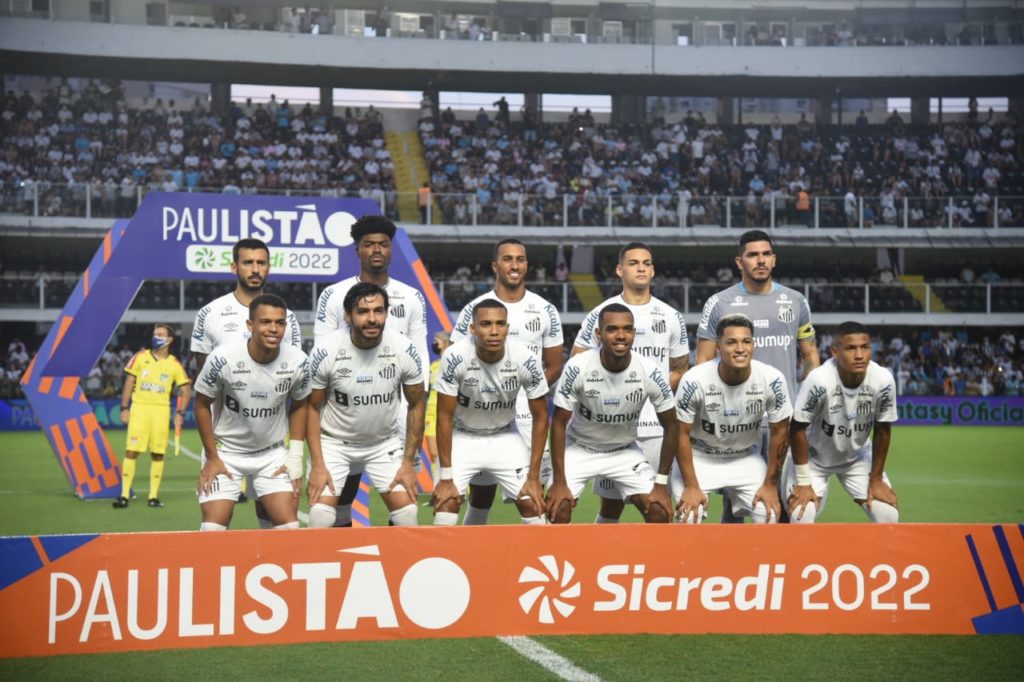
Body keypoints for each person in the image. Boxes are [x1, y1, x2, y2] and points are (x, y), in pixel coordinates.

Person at [696, 230, 818, 521]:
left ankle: (781, 563)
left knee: (787, 502)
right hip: (736, 420)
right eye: (753, 255)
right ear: (740, 262)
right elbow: (703, 361)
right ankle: (733, 565)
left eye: (766, 254)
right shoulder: (719, 303)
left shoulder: (796, 301)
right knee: (736, 503)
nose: (760, 260)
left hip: (783, 416)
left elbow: (810, 355)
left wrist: (805, 402)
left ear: (774, 259)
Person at [314, 215, 427, 527]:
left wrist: (410, 420)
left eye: (383, 244)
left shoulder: (413, 297)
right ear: (357, 250)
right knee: (341, 499)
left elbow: (419, 359)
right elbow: (322, 357)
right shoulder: (334, 296)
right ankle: (343, 561)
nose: (377, 250)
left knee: (403, 505)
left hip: (395, 416)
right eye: (369, 245)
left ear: (391, 250)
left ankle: (392, 559)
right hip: (343, 414)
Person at [448, 239, 564, 524]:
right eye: (508, 259)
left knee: (535, 496)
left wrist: (523, 392)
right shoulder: (473, 309)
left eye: (520, 259)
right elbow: (456, 359)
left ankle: (538, 559)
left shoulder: (545, 310)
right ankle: (470, 560)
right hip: (484, 411)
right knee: (481, 494)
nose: (515, 265)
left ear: (526, 265)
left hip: (529, 412)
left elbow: (554, 365)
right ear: (495, 266)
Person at [572, 242, 689, 523]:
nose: (641, 268)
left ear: (653, 270)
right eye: (634, 263)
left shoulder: (671, 316)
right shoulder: (600, 314)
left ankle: (657, 565)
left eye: (646, 263)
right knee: (610, 506)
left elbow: (681, 368)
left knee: (659, 508)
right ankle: (601, 561)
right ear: (619, 270)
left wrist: (651, 390)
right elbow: (577, 365)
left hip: (656, 430)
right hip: (612, 429)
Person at [191, 238, 302, 524]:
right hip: (226, 442)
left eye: (261, 263)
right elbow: (205, 386)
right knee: (214, 528)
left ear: (268, 267)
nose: (255, 269)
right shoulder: (210, 314)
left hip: (272, 445)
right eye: (248, 262)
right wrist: (212, 451)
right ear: (234, 266)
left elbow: (294, 381)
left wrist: (295, 453)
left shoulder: (286, 317)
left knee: (275, 519)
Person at [547, 304, 677, 524]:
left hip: (624, 451)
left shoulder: (649, 370)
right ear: (598, 334)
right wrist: (559, 482)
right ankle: (566, 559)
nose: (621, 336)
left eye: (627, 329)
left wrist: (661, 484)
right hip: (580, 448)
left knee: (659, 512)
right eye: (612, 329)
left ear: (634, 334)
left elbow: (672, 426)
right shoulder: (578, 367)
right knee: (558, 508)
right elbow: (558, 424)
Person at [432, 299, 549, 526]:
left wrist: (534, 478)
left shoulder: (525, 358)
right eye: (486, 324)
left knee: (534, 507)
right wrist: (445, 478)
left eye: (500, 324)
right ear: (473, 329)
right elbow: (443, 417)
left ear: (507, 327)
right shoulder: (455, 356)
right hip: (463, 436)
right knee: (446, 505)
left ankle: (529, 561)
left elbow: (542, 417)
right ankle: (454, 560)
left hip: (505, 436)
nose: (494, 331)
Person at [675, 314, 792, 525]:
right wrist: (691, 486)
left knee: (769, 515)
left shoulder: (772, 379)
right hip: (700, 457)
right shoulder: (694, 380)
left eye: (746, 341)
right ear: (718, 347)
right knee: (689, 516)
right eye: (731, 342)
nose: (740, 349)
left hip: (745, 457)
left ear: (753, 345)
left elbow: (781, 432)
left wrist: (770, 484)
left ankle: (749, 558)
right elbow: (679, 434)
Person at [782, 321, 899, 523]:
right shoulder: (819, 380)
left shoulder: (883, 379)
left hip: (857, 458)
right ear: (835, 352)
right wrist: (803, 481)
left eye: (865, 347)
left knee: (888, 515)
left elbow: (883, 430)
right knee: (801, 516)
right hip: (814, 460)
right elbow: (797, 428)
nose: (860, 355)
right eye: (851, 348)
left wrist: (877, 479)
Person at [113, 324, 191, 509]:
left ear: (169, 339)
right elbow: (129, 382)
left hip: (161, 411)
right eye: (155, 334)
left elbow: (186, 389)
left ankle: (153, 496)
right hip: (139, 409)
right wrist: (124, 408)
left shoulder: (174, 364)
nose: (155, 337)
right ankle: (124, 495)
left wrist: (180, 412)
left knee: (158, 453)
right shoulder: (140, 357)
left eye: (160, 334)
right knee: (131, 450)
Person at [424, 330, 452, 470]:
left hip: (448, 413)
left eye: (437, 341)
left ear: (445, 343)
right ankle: (437, 486)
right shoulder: (433, 366)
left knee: (450, 454)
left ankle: (462, 490)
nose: (434, 343)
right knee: (434, 453)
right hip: (431, 414)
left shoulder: (454, 365)